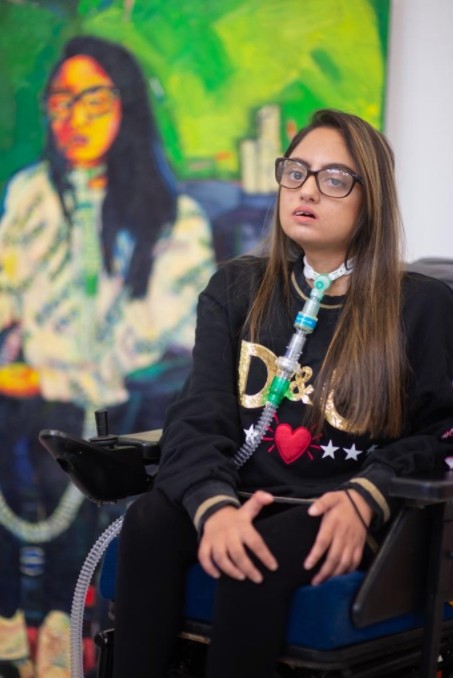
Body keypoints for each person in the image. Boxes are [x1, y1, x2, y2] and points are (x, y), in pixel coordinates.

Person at [112, 109, 453, 678]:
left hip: (335, 505)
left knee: (258, 562)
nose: (308, 190)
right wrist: (213, 505)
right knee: (148, 520)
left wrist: (368, 494)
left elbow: (442, 430)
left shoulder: (421, 307)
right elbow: (200, 413)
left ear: (373, 198)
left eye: (334, 178)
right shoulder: (236, 288)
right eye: (296, 172)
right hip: (241, 492)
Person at [0, 35, 215, 677]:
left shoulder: (173, 216)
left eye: (93, 100)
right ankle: (13, 621)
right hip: (22, 390)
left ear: (127, 107)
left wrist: (47, 372)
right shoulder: (33, 192)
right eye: (61, 101)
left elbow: (151, 338)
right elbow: (6, 289)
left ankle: (65, 634)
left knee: (55, 451)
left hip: (113, 399)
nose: (74, 118)